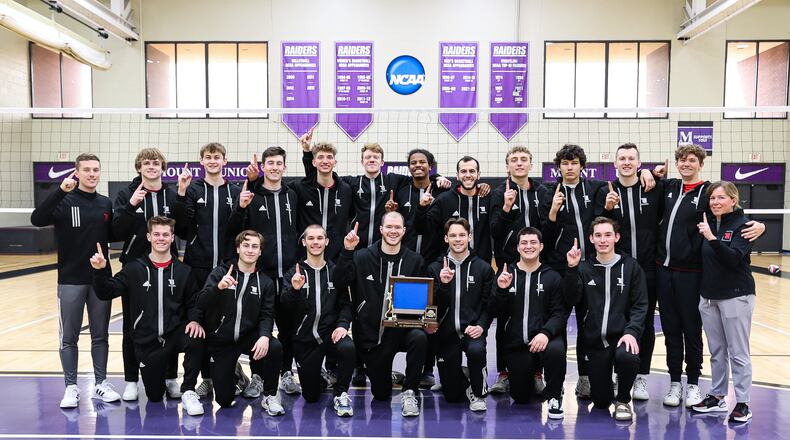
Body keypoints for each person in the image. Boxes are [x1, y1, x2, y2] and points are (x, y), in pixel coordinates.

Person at [652, 144, 764, 408]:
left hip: (693, 274)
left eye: (692, 160)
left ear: (701, 164)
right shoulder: (668, 187)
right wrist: (651, 173)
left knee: (693, 332)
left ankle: (694, 384)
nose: (686, 164)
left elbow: (733, 214)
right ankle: (676, 384)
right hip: (664, 271)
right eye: (681, 160)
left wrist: (760, 226)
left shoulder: (708, 191)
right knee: (671, 331)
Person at [540, 143, 654, 399]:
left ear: (582, 166)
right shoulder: (549, 192)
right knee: (557, 321)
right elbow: (545, 234)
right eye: (565, 163)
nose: (569, 168)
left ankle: (586, 376)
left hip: (592, 266)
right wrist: (553, 211)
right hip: (561, 266)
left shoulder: (597, 188)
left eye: (574, 163)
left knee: (586, 321)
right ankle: (562, 380)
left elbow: (605, 220)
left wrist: (649, 173)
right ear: (558, 167)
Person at [91, 216, 206, 416]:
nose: (161, 238)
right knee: (154, 395)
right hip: (147, 341)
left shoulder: (183, 271)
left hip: (173, 335)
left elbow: (193, 302)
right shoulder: (134, 269)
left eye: (165, 235)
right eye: (156, 234)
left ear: (172, 238)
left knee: (196, 336)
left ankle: (188, 390)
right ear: (148, 236)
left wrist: (195, 319)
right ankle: (161, 379)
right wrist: (101, 271)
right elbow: (106, 292)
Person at [30, 153, 120, 408]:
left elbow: (114, 233)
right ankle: (71, 387)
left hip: (100, 279)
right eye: (87, 170)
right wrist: (59, 191)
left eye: (96, 170)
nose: (92, 174)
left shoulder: (105, 203)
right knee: (69, 337)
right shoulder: (64, 200)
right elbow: (37, 219)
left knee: (100, 335)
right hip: (70, 279)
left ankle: (100, 384)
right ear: (77, 172)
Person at [335, 211, 427, 417]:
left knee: (419, 338)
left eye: (397, 228)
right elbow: (340, 282)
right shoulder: (361, 257)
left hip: (403, 330)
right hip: (372, 336)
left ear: (404, 231)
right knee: (381, 394)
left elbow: (423, 301)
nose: (393, 231)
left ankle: (410, 391)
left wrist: (426, 319)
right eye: (389, 227)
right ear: (381, 229)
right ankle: (386, 374)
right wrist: (347, 251)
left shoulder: (415, 260)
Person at [174, 143, 246, 398]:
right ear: (201, 161)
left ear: (225, 161)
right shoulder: (193, 189)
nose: (213, 161)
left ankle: (232, 370)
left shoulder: (236, 191)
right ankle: (205, 378)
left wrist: (242, 207)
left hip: (228, 268)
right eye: (208, 157)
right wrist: (181, 193)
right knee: (200, 321)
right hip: (198, 266)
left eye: (217, 157)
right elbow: (181, 229)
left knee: (225, 321)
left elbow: (240, 230)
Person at [112, 147, 181, 401]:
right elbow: (117, 231)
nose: (151, 166)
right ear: (139, 167)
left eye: (156, 162)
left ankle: (171, 377)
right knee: (132, 326)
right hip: (135, 269)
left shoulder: (171, 196)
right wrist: (131, 206)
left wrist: (183, 196)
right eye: (146, 163)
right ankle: (131, 380)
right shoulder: (126, 194)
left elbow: (182, 228)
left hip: (167, 267)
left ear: (163, 168)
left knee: (171, 323)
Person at [233, 146, 302, 395]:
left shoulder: (292, 195)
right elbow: (236, 229)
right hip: (261, 276)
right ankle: (258, 376)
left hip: (288, 276)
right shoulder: (252, 194)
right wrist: (248, 184)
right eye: (270, 163)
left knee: (287, 328)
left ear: (285, 167)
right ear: (263, 167)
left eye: (279, 163)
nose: (274, 167)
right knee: (257, 328)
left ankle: (285, 373)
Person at [564, 217, 648, 421]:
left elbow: (640, 305)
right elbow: (571, 299)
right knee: (601, 401)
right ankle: (606, 387)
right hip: (594, 342)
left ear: (616, 237)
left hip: (621, 337)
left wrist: (631, 332)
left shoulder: (631, 267)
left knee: (628, 355)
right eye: (598, 235)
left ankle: (623, 400)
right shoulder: (583, 268)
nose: (603, 240)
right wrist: (572, 269)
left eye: (608, 235)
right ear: (591, 239)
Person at [596, 143, 662, 400]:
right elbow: (598, 227)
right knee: (616, 320)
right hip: (616, 269)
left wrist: (652, 174)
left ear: (638, 163)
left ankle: (641, 377)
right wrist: (607, 209)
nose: (626, 162)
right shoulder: (606, 190)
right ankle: (618, 373)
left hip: (648, 269)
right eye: (621, 158)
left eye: (631, 158)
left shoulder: (653, 187)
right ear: (614, 164)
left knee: (644, 323)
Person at [196, 230, 285, 416]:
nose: (250, 250)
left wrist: (264, 336)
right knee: (224, 401)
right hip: (221, 342)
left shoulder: (265, 282)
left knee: (274, 346)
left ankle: (269, 396)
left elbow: (267, 314)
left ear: (260, 251)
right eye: (246, 245)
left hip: (247, 337)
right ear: (238, 248)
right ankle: (236, 374)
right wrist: (218, 288)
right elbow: (201, 302)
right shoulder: (220, 272)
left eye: (255, 246)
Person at [691, 182, 756, 422]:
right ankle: (717, 397)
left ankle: (743, 402)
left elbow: (733, 259)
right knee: (717, 351)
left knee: (738, 352)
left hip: (736, 295)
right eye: (712, 198)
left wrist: (711, 238)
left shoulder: (745, 226)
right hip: (709, 297)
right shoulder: (708, 219)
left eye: (721, 198)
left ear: (733, 200)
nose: (715, 202)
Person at [490, 227, 567, 418]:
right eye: (524, 243)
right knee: (521, 397)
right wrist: (501, 290)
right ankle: (530, 376)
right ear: (517, 248)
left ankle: (555, 396)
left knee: (557, 350)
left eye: (533, 242)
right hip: (518, 344)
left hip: (544, 340)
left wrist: (545, 333)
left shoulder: (552, 276)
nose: (528, 246)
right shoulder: (506, 274)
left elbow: (559, 314)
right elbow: (493, 311)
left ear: (541, 246)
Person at [488, 145, 547, 395]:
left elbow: (548, 225)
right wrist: (505, 207)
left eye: (524, 159)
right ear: (507, 166)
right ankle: (503, 373)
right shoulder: (499, 192)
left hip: (538, 265)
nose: (519, 163)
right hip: (510, 265)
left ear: (531, 164)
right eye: (515, 160)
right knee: (506, 319)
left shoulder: (542, 192)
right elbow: (494, 230)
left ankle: (537, 372)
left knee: (538, 316)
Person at [281, 224, 356, 417]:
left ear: (327, 241)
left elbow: (346, 304)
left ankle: (341, 393)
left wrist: (342, 325)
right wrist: (295, 290)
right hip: (305, 340)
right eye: (311, 238)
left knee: (348, 348)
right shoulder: (294, 272)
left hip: (330, 335)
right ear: (304, 242)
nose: (316, 242)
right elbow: (285, 307)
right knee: (311, 396)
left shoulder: (335, 270)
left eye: (320, 238)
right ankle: (320, 377)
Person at [427, 218, 494, 412]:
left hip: (472, 330)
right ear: (446, 238)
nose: (458, 239)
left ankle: (478, 391)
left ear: (470, 237)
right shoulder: (434, 268)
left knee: (476, 350)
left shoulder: (483, 268)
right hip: (446, 334)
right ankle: (461, 376)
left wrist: (481, 325)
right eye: (453, 235)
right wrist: (444, 286)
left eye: (462, 235)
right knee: (452, 396)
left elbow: (488, 306)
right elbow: (431, 305)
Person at [415, 156, 492, 263]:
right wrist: (422, 208)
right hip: (449, 265)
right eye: (463, 171)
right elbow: (422, 228)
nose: (468, 175)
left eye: (472, 171)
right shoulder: (444, 200)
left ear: (478, 175)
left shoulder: (487, 198)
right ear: (457, 176)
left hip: (482, 265)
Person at [289, 141, 353, 262]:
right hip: (305, 258)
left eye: (329, 157)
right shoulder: (300, 187)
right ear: (313, 162)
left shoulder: (345, 190)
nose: (325, 161)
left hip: (335, 259)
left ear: (335, 162)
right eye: (320, 157)